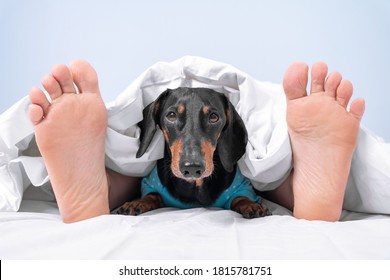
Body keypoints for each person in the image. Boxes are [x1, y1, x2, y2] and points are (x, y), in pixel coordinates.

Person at [28, 60, 365, 223]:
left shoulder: (233, 170)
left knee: (265, 182)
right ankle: (92, 189)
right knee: (135, 181)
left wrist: (243, 203)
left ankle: (304, 189)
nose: (191, 152)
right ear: (157, 123)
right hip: (159, 182)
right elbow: (150, 189)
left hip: (227, 181)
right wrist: (147, 201)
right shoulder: (156, 167)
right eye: (173, 118)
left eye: (211, 119)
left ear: (227, 125)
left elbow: (244, 190)